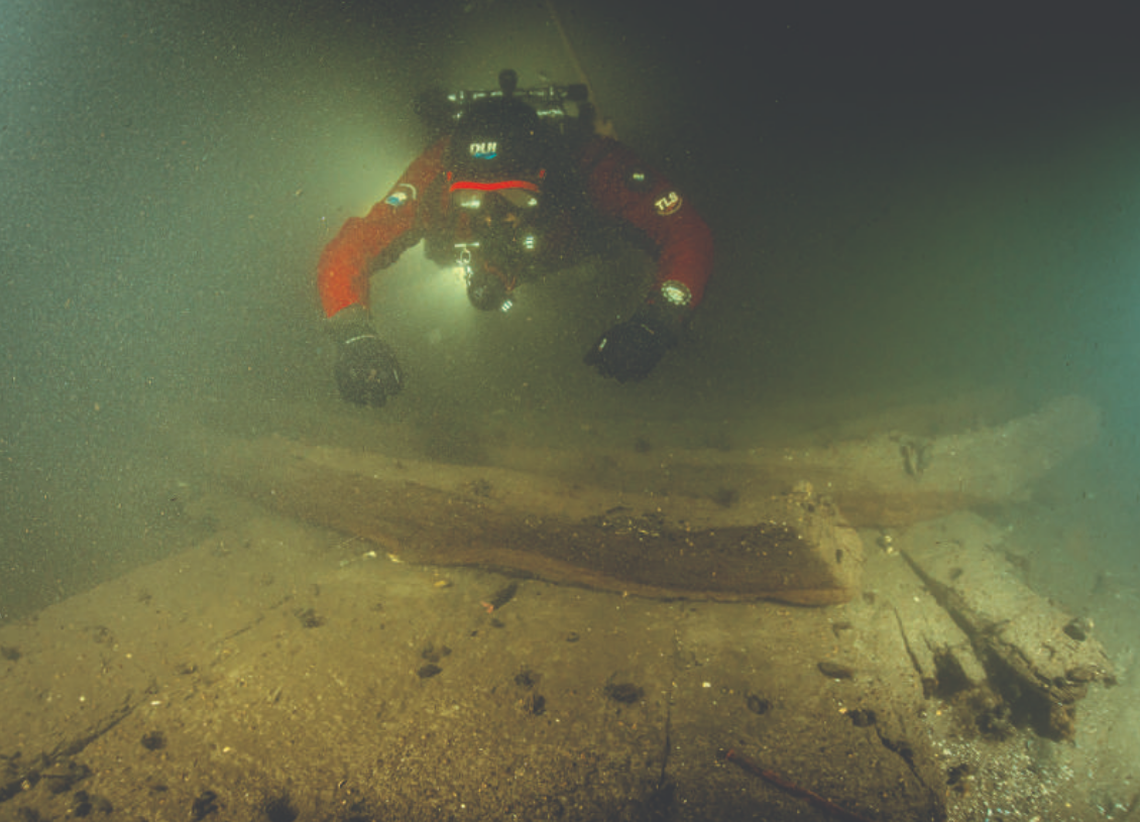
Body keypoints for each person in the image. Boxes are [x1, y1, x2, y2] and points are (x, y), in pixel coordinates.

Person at [317, 69, 714, 407]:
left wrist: (658, 320)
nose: (492, 216)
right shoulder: (435, 173)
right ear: (452, 182)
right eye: (472, 199)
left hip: (577, 253)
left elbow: (686, 233)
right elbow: (352, 247)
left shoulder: (592, 167)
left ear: (547, 179)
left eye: (514, 197)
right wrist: (355, 335)